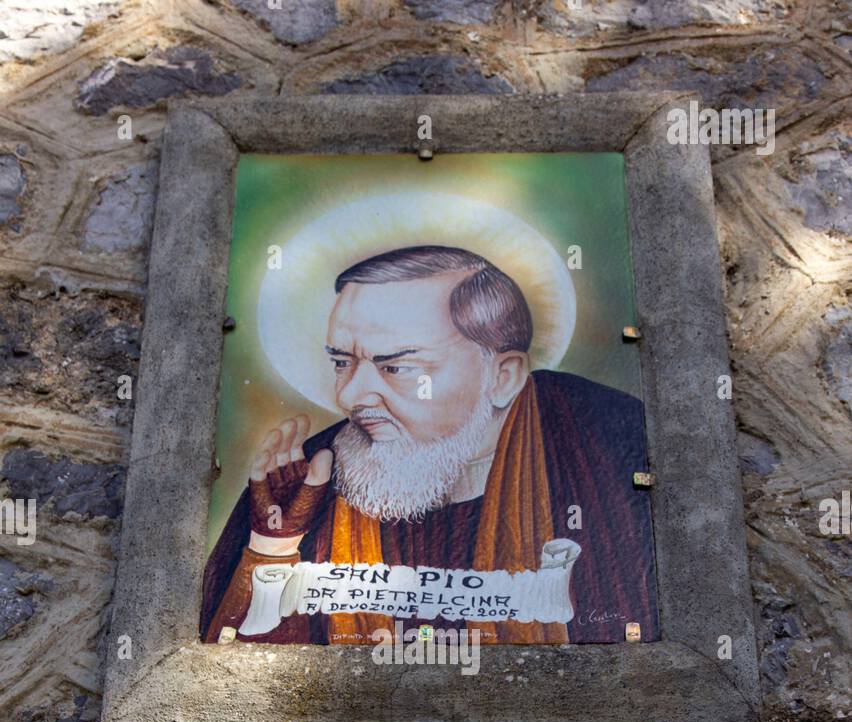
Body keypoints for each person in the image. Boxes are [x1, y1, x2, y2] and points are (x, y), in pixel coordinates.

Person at [202, 245, 658, 647]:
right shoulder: (307, 479)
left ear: (503, 376)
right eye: (342, 362)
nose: (350, 397)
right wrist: (272, 546)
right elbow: (231, 673)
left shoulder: (605, 443)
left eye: (396, 367)